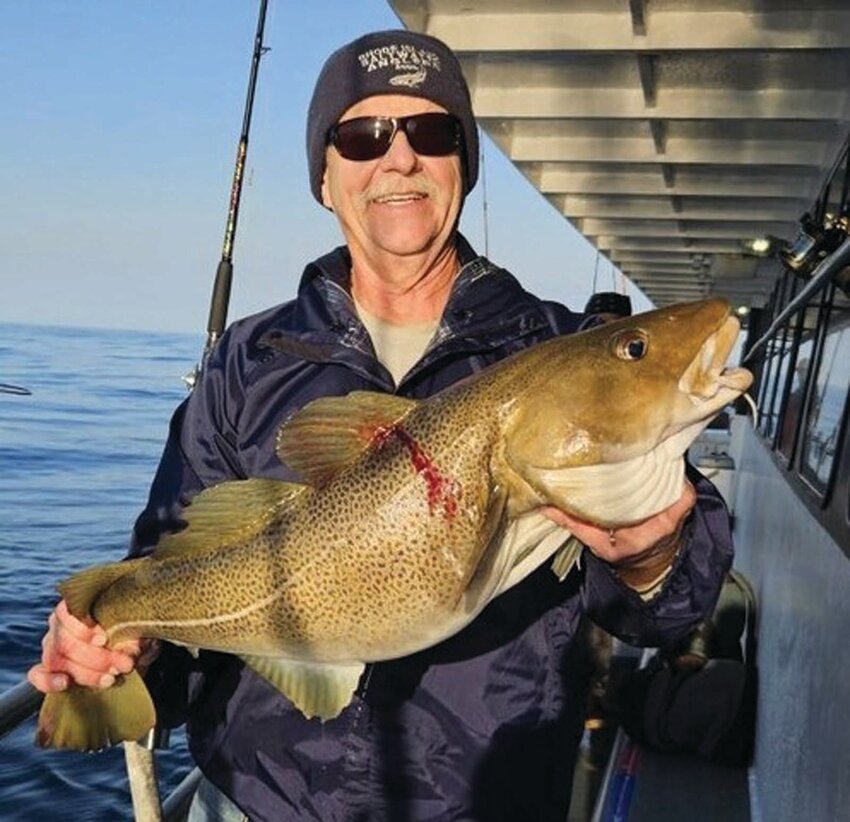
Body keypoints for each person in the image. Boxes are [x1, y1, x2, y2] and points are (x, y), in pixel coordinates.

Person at [28, 30, 732, 821]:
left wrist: (654, 555)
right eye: (363, 137)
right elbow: (172, 566)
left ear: (462, 163)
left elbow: (667, 611)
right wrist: (117, 644)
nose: (398, 159)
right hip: (258, 801)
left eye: (431, 133)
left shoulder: (553, 349)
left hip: (483, 800)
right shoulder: (249, 360)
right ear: (324, 179)